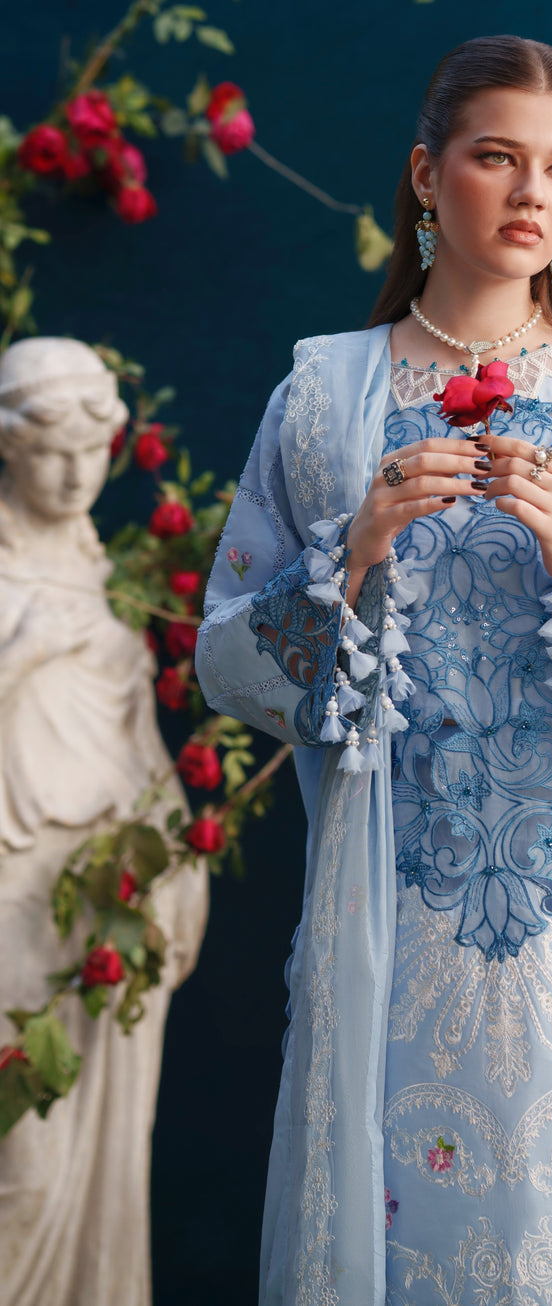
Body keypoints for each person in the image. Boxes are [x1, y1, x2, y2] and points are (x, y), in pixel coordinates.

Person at [196, 35, 552, 1306]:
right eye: (496, 158)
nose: (531, 194)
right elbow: (228, 657)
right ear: (426, 173)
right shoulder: (323, 395)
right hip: (398, 919)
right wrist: (353, 551)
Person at [0, 337, 209, 1306]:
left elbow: (137, 742)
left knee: (110, 1164)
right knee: (24, 1166)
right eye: (53, 451)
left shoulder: (109, 574)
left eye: (95, 450)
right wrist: (25, 651)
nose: (77, 472)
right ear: (9, 446)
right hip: (15, 883)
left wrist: (178, 852)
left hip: (110, 889)